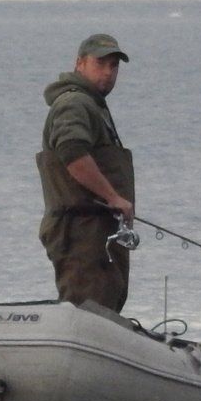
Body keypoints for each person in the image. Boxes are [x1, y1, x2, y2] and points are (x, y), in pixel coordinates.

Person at [37, 33, 136, 311]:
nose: (108, 72)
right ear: (80, 63)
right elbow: (72, 152)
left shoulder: (92, 105)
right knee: (87, 311)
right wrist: (113, 197)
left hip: (96, 231)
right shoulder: (75, 103)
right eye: (101, 63)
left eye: (114, 66)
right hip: (81, 231)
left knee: (103, 309)